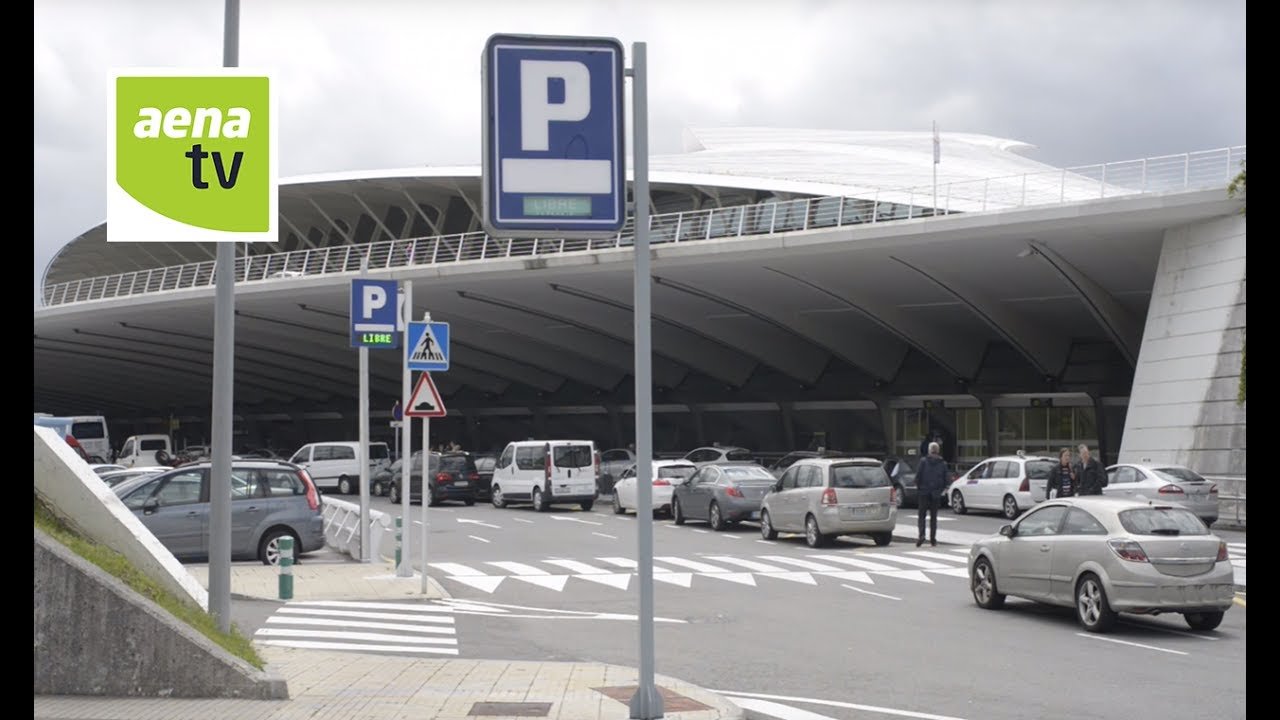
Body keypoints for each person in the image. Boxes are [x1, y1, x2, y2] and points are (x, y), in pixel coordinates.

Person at [915, 441, 949, 547]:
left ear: (929, 450)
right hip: (935, 493)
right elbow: (946, 480)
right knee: (933, 517)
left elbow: (918, 477)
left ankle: (921, 535)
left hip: (924, 492)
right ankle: (933, 539)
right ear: (938, 451)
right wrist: (940, 490)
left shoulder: (923, 462)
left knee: (922, 516)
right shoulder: (943, 464)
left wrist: (919, 487)